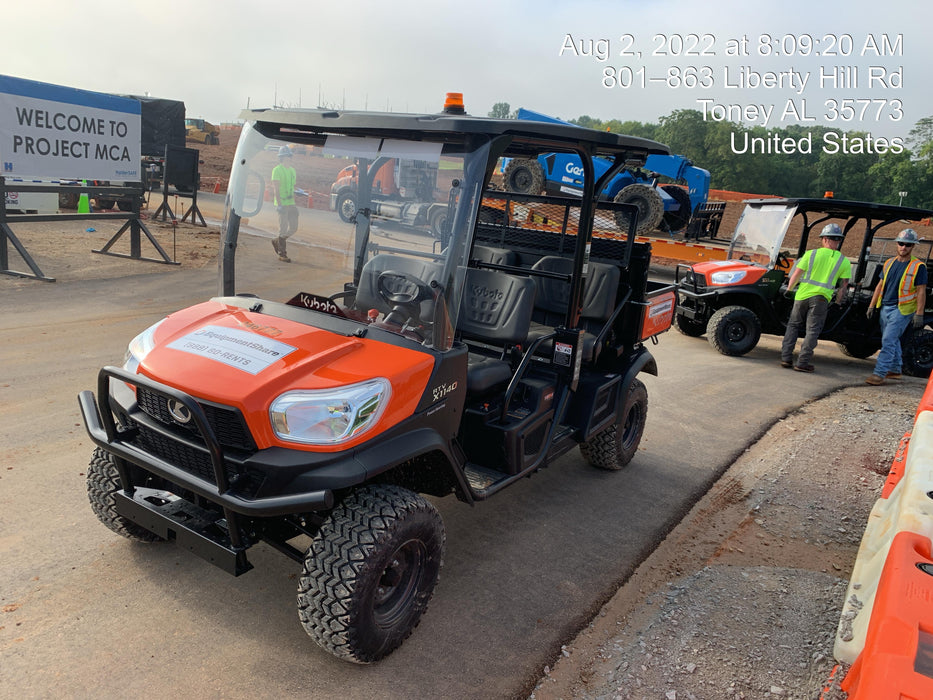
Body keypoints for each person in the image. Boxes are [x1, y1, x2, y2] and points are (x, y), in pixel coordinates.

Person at [780, 223, 851, 372]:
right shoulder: (843, 261)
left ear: (824, 239)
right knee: (812, 331)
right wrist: (838, 303)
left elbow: (796, 274)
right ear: (838, 240)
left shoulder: (811, 254)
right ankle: (802, 363)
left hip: (802, 296)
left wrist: (789, 290)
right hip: (821, 299)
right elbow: (843, 287)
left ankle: (786, 359)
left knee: (793, 325)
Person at [865, 228, 927, 385]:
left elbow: (921, 291)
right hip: (886, 306)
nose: (903, 247)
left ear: (913, 247)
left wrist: (919, 313)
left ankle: (879, 373)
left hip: (903, 309)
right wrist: (872, 305)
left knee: (888, 339)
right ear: (897, 244)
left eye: (908, 245)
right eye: (901, 244)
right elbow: (880, 285)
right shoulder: (889, 263)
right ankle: (895, 369)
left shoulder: (918, 266)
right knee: (892, 340)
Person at [270, 145, 298, 262]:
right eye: (286, 156)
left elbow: (292, 187)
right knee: (283, 228)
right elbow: (276, 189)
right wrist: (280, 205)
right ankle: (282, 254)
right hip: (282, 204)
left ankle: (277, 240)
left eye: (289, 156)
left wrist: (298, 193)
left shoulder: (292, 171)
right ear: (281, 158)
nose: (288, 158)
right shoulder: (277, 170)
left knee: (294, 227)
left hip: (291, 203)